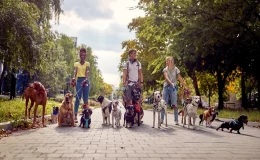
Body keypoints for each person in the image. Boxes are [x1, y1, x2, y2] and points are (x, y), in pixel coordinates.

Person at [161, 56, 187, 125]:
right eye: (167, 61)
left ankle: (176, 120)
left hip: (173, 88)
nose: (167, 62)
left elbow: (180, 78)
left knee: (174, 104)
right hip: (166, 87)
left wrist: (185, 87)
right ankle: (162, 119)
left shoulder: (176, 69)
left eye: (169, 61)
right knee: (163, 103)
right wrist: (171, 83)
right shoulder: (165, 69)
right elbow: (166, 77)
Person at [72, 48, 90, 123]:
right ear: (79, 55)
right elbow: (75, 71)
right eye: (81, 53)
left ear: (85, 55)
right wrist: (73, 78)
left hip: (85, 81)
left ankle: (86, 115)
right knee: (78, 98)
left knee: (85, 99)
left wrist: (86, 78)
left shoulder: (87, 63)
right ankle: (75, 115)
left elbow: (87, 71)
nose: (82, 54)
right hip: (79, 80)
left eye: (84, 53)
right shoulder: (76, 64)